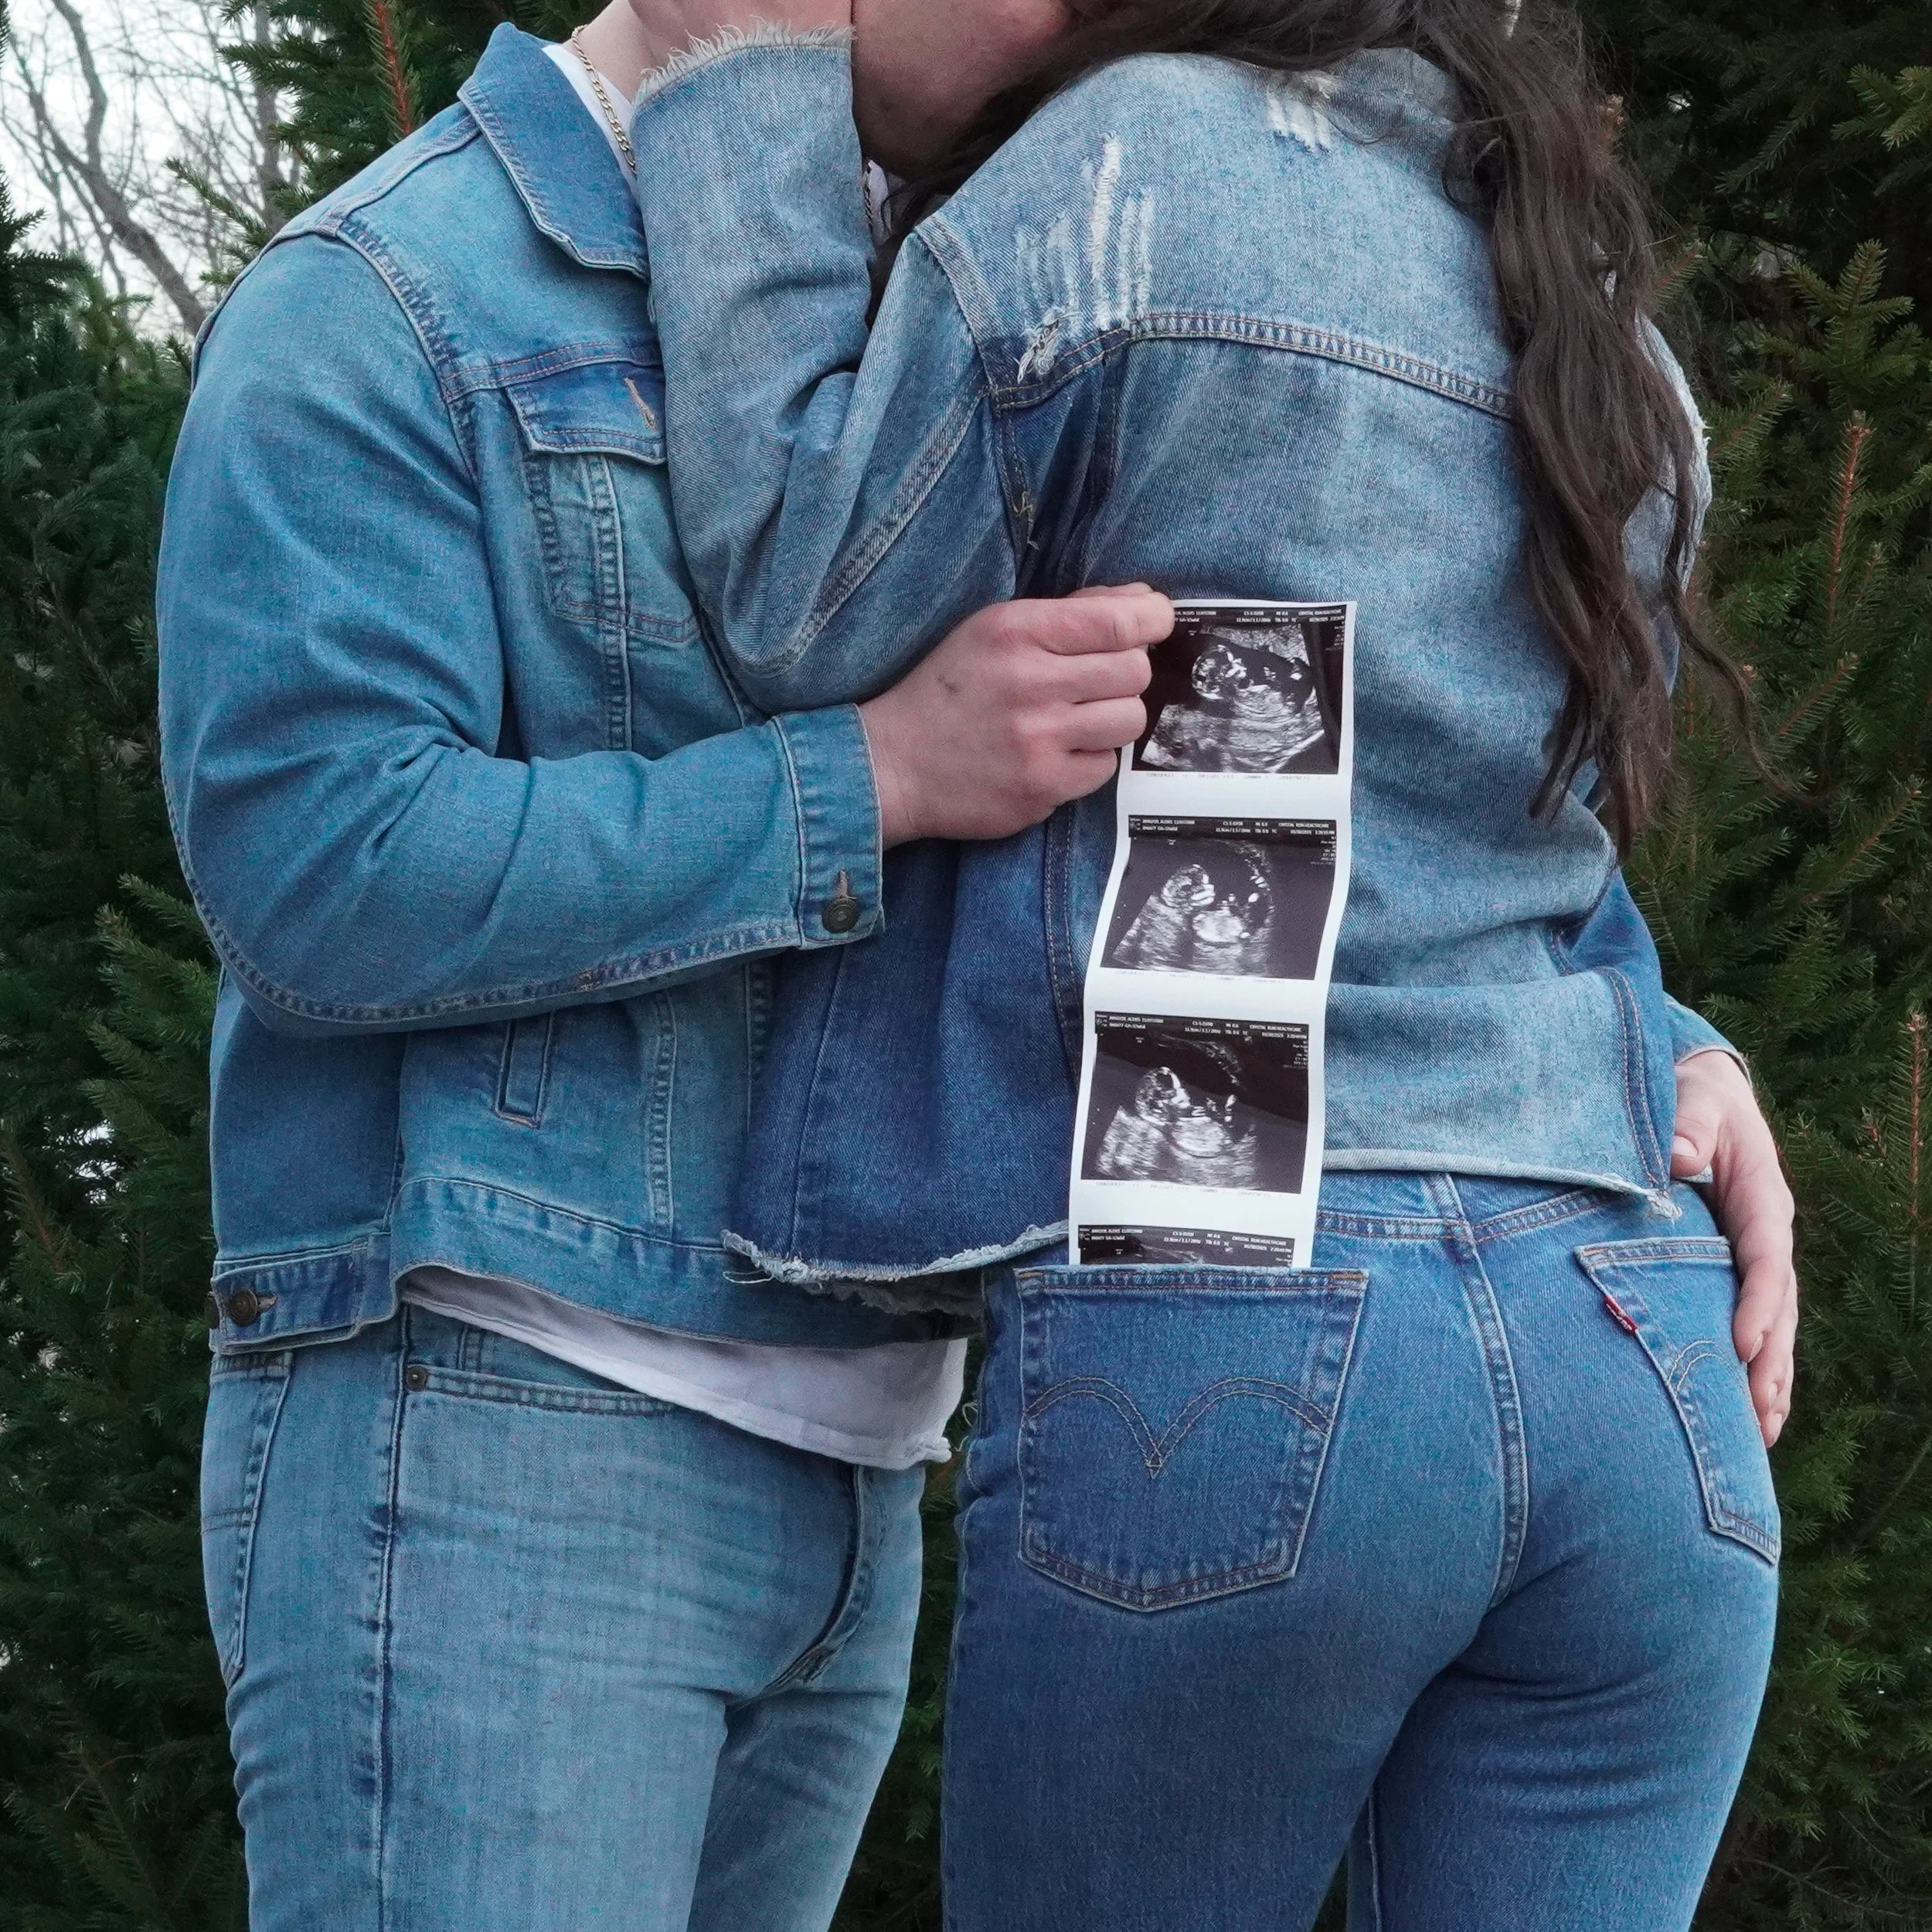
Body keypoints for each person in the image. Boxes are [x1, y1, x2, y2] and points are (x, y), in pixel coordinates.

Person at [600, 0, 1803, 1923]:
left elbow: (802, 594)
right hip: (1636, 1337)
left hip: (1240, 1277)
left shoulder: (1137, 169)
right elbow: (1503, 838)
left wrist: (738, 75)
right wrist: (1686, 1038)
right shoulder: (1603, 327)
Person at [153, 15, 1168, 1929]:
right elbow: (320, 866)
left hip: (859, 1458)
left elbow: (1290, 690)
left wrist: (1640, 1042)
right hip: (501, 1416)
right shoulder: (386, 287)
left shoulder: (933, 304)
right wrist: (871, 775)